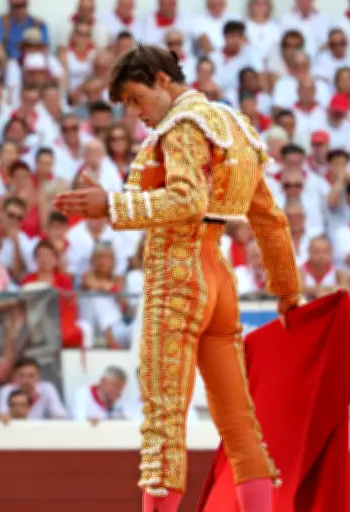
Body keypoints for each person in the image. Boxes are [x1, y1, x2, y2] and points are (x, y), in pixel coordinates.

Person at [54, 44, 303, 512]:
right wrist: (287, 290)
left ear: (162, 81)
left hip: (178, 278)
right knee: (239, 424)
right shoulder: (236, 128)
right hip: (219, 279)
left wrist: (111, 205)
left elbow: (186, 201)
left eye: (136, 99)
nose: (137, 115)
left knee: (164, 422)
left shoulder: (182, 126)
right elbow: (270, 218)